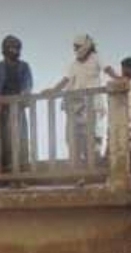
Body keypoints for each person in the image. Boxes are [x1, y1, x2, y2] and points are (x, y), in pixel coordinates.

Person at [48, 35, 106, 166]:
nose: (76, 50)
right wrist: (53, 91)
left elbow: (107, 68)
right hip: (75, 107)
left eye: (78, 47)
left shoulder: (96, 59)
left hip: (92, 106)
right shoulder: (73, 65)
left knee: (92, 139)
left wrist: (117, 77)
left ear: (86, 46)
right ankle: (77, 171)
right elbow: (66, 80)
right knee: (73, 140)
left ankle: (92, 168)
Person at [0, 35, 33, 172]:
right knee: (1, 139)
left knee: (19, 138)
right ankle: (3, 170)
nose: (15, 51)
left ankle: (21, 170)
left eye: (17, 48)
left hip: (17, 108)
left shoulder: (24, 66)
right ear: (5, 49)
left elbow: (28, 83)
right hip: (0, 109)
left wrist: (25, 93)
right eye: (12, 48)